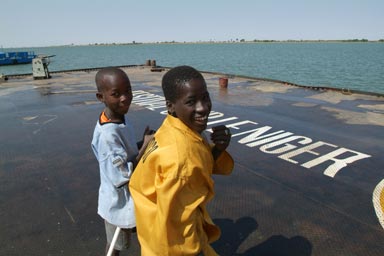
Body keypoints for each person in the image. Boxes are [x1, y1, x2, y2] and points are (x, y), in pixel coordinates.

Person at [129, 65, 234, 255]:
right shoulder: (179, 162)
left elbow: (198, 161)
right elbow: (175, 230)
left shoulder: (173, 127)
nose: (203, 108)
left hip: (150, 230)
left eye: (206, 97)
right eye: (191, 102)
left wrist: (218, 150)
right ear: (170, 106)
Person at [91, 67, 153, 256]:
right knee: (115, 246)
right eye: (116, 94)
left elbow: (124, 152)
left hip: (131, 196)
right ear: (101, 97)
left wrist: (141, 141)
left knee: (136, 234)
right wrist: (145, 148)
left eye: (128, 91)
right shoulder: (108, 135)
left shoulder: (118, 118)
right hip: (118, 201)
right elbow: (121, 174)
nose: (125, 98)